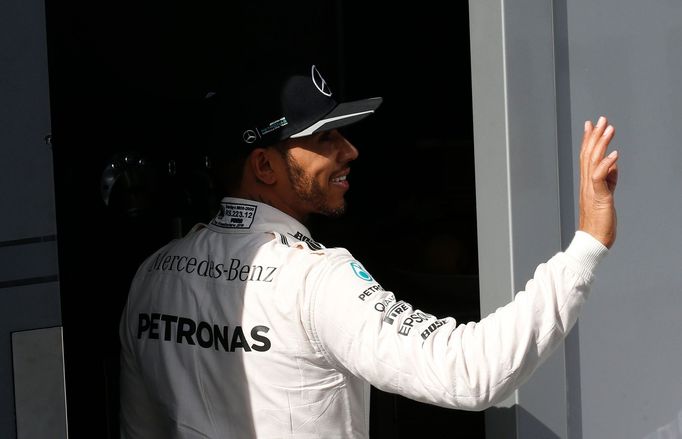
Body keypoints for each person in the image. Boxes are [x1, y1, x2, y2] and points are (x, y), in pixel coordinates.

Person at [119, 63, 619, 438]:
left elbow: (139, 431)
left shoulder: (152, 276)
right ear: (264, 166)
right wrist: (586, 247)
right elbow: (471, 372)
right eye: (324, 137)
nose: (349, 150)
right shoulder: (315, 281)